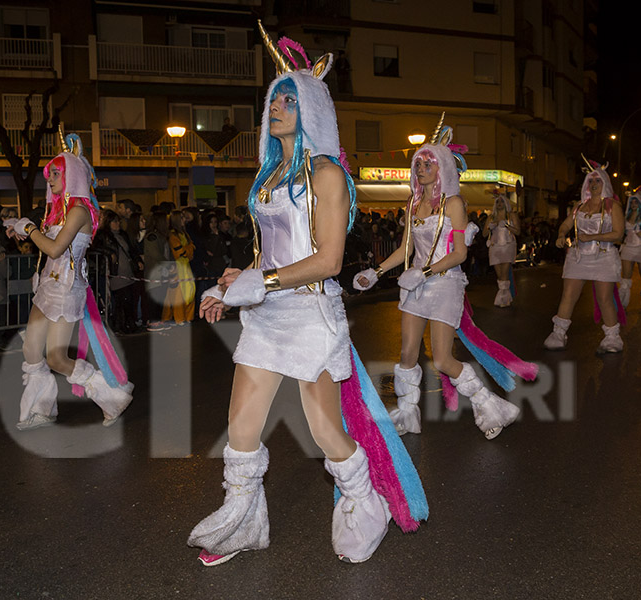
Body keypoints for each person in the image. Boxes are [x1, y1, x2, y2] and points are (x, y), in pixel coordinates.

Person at [189, 22, 427, 567]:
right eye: (275, 99)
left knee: (324, 429)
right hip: (266, 315)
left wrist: (260, 282)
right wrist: (235, 282)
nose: (277, 108)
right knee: (241, 428)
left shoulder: (326, 174)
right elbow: (267, 254)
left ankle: (367, 503)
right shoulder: (268, 177)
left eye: (290, 101)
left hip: (310, 314)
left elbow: (329, 261)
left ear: (312, 110)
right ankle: (244, 522)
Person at [354, 115, 535, 440]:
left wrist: (423, 273)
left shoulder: (453, 204)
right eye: (418, 162)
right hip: (415, 284)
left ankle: (490, 407)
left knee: (442, 359)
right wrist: (375, 272)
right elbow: (406, 248)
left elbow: (460, 255)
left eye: (428, 162)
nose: (420, 167)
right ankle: (408, 414)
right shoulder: (412, 204)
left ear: (443, 169)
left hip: (444, 285)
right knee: (407, 355)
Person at [9, 130, 133, 431]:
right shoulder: (56, 212)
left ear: (71, 175)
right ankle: (39, 410)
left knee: (55, 358)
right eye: (48, 173)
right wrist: (18, 229)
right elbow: (44, 250)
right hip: (47, 287)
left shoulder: (78, 212)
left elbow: (54, 248)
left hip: (66, 289)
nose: (49, 178)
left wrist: (29, 230)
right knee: (31, 352)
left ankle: (113, 396)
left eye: (55, 173)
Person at [543, 159, 625, 353]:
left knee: (605, 298)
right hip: (578, 256)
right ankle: (558, 333)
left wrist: (593, 236)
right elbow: (565, 225)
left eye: (598, 181)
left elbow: (619, 234)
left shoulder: (613, 206)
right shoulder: (579, 206)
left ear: (605, 183)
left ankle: (612, 338)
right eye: (591, 181)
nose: (594, 185)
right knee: (569, 295)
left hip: (604, 256)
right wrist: (562, 235)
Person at [483, 193, 520, 306]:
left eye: (502, 201)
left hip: (508, 246)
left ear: (506, 203)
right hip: (495, 248)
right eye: (497, 202)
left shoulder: (511, 216)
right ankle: (506, 297)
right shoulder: (491, 217)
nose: (499, 204)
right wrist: (490, 227)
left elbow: (518, 231)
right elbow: (484, 234)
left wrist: (507, 226)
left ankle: (502, 299)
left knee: (504, 273)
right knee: (499, 275)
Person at [163, 210, 195, 324]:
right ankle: (179, 318)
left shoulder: (184, 234)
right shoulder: (173, 235)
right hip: (176, 268)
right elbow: (180, 252)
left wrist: (187, 249)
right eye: (182, 218)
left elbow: (189, 252)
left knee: (189, 292)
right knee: (177, 295)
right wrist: (188, 248)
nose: (184, 220)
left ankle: (188, 317)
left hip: (185, 266)